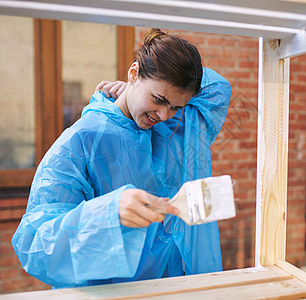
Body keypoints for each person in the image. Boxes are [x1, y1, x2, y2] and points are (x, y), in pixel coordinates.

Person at [12, 28, 231, 288]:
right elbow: (35, 244)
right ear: (133, 72)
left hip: (179, 288)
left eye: (175, 107)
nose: (164, 115)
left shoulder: (175, 129)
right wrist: (107, 213)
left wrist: (135, 89)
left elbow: (218, 88)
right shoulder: (81, 142)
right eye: (158, 99)